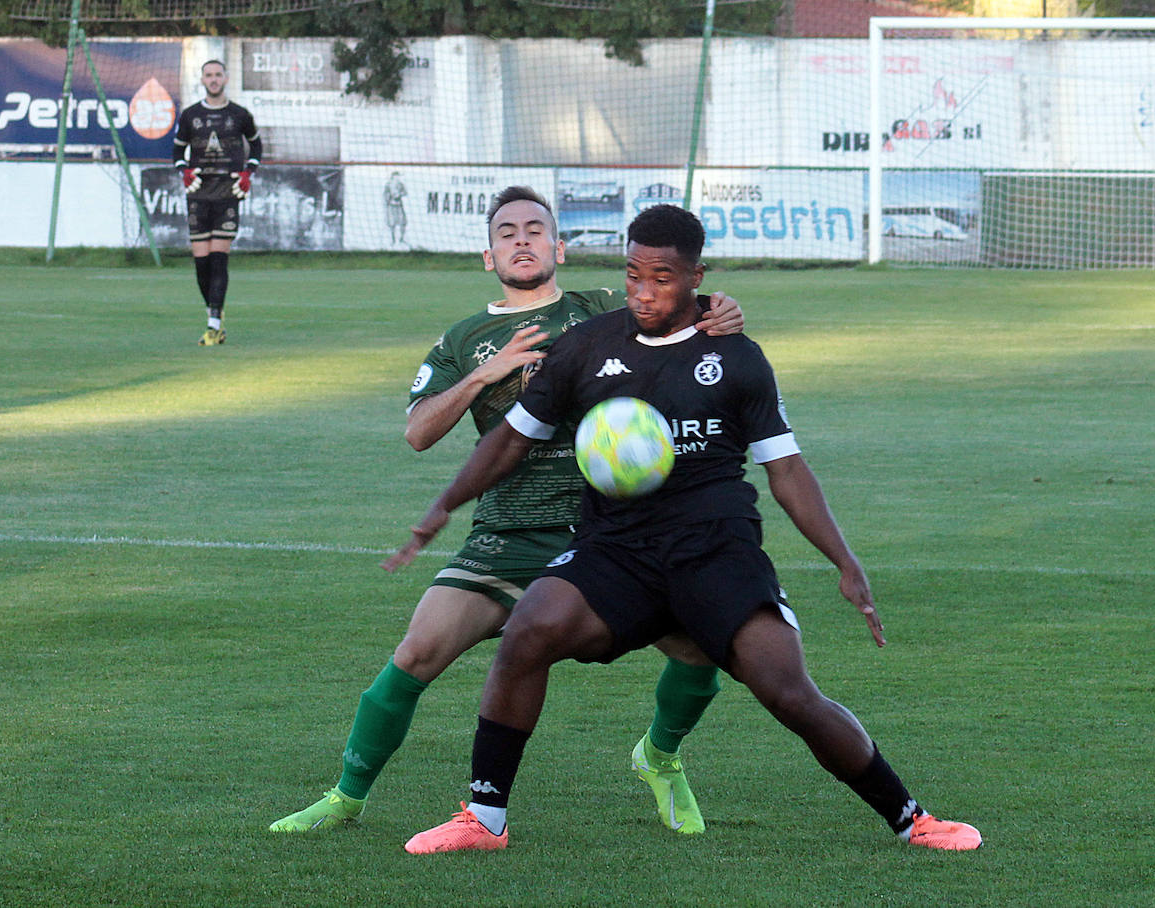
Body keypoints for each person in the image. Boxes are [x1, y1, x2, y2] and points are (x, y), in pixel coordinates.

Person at [385, 203, 983, 854]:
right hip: (616, 549)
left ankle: (912, 818)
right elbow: (509, 441)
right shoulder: (585, 348)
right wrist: (443, 506)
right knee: (528, 631)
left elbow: (786, 470)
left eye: (662, 278)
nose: (644, 292)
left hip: (716, 550)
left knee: (787, 691)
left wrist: (844, 561)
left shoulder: (736, 356)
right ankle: (486, 818)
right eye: (633, 275)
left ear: (697, 277)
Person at [268, 187, 746, 837]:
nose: (521, 239)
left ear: (559, 246)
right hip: (508, 535)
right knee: (416, 653)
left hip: (613, 534)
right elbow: (418, 432)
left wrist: (722, 313)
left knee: (701, 650)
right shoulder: (465, 339)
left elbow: (694, 314)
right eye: (507, 232)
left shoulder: (602, 309)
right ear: (488, 254)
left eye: (534, 229)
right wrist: (483, 378)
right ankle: (346, 797)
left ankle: (658, 757)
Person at [172, 59, 262, 347]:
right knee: (201, 262)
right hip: (199, 192)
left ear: (226, 78)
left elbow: (256, 144)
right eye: (208, 75)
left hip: (228, 191)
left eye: (218, 75)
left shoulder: (239, 114)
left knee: (219, 257)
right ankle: (214, 309)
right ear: (202, 80)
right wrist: (183, 170)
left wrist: (249, 171)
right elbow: (176, 150)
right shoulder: (190, 115)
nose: (213, 79)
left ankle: (213, 326)